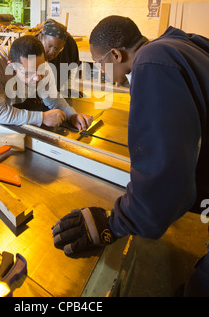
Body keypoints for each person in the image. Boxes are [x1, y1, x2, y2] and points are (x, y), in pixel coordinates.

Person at [52, 15, 209, 295]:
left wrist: (114, 222)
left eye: (100, 64)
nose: (100, 72)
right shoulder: (179, 46)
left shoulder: (152, 62)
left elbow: (165, 175)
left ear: (115, 54)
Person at [0, 35, 92, 130]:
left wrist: (72, 115)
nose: (38, 78)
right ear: (12, 67)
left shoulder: (42, 66)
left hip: (6, 106)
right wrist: (42, 118)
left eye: (39, 70)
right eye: (29, 73)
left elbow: (54, 99)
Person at [37, 19, 82, 97]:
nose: (52, 52)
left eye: (58, 49)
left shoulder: (70, 43)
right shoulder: (30, 46)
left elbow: (73, 66)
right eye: (49, 46)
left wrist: (69, 88)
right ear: (40, 37)